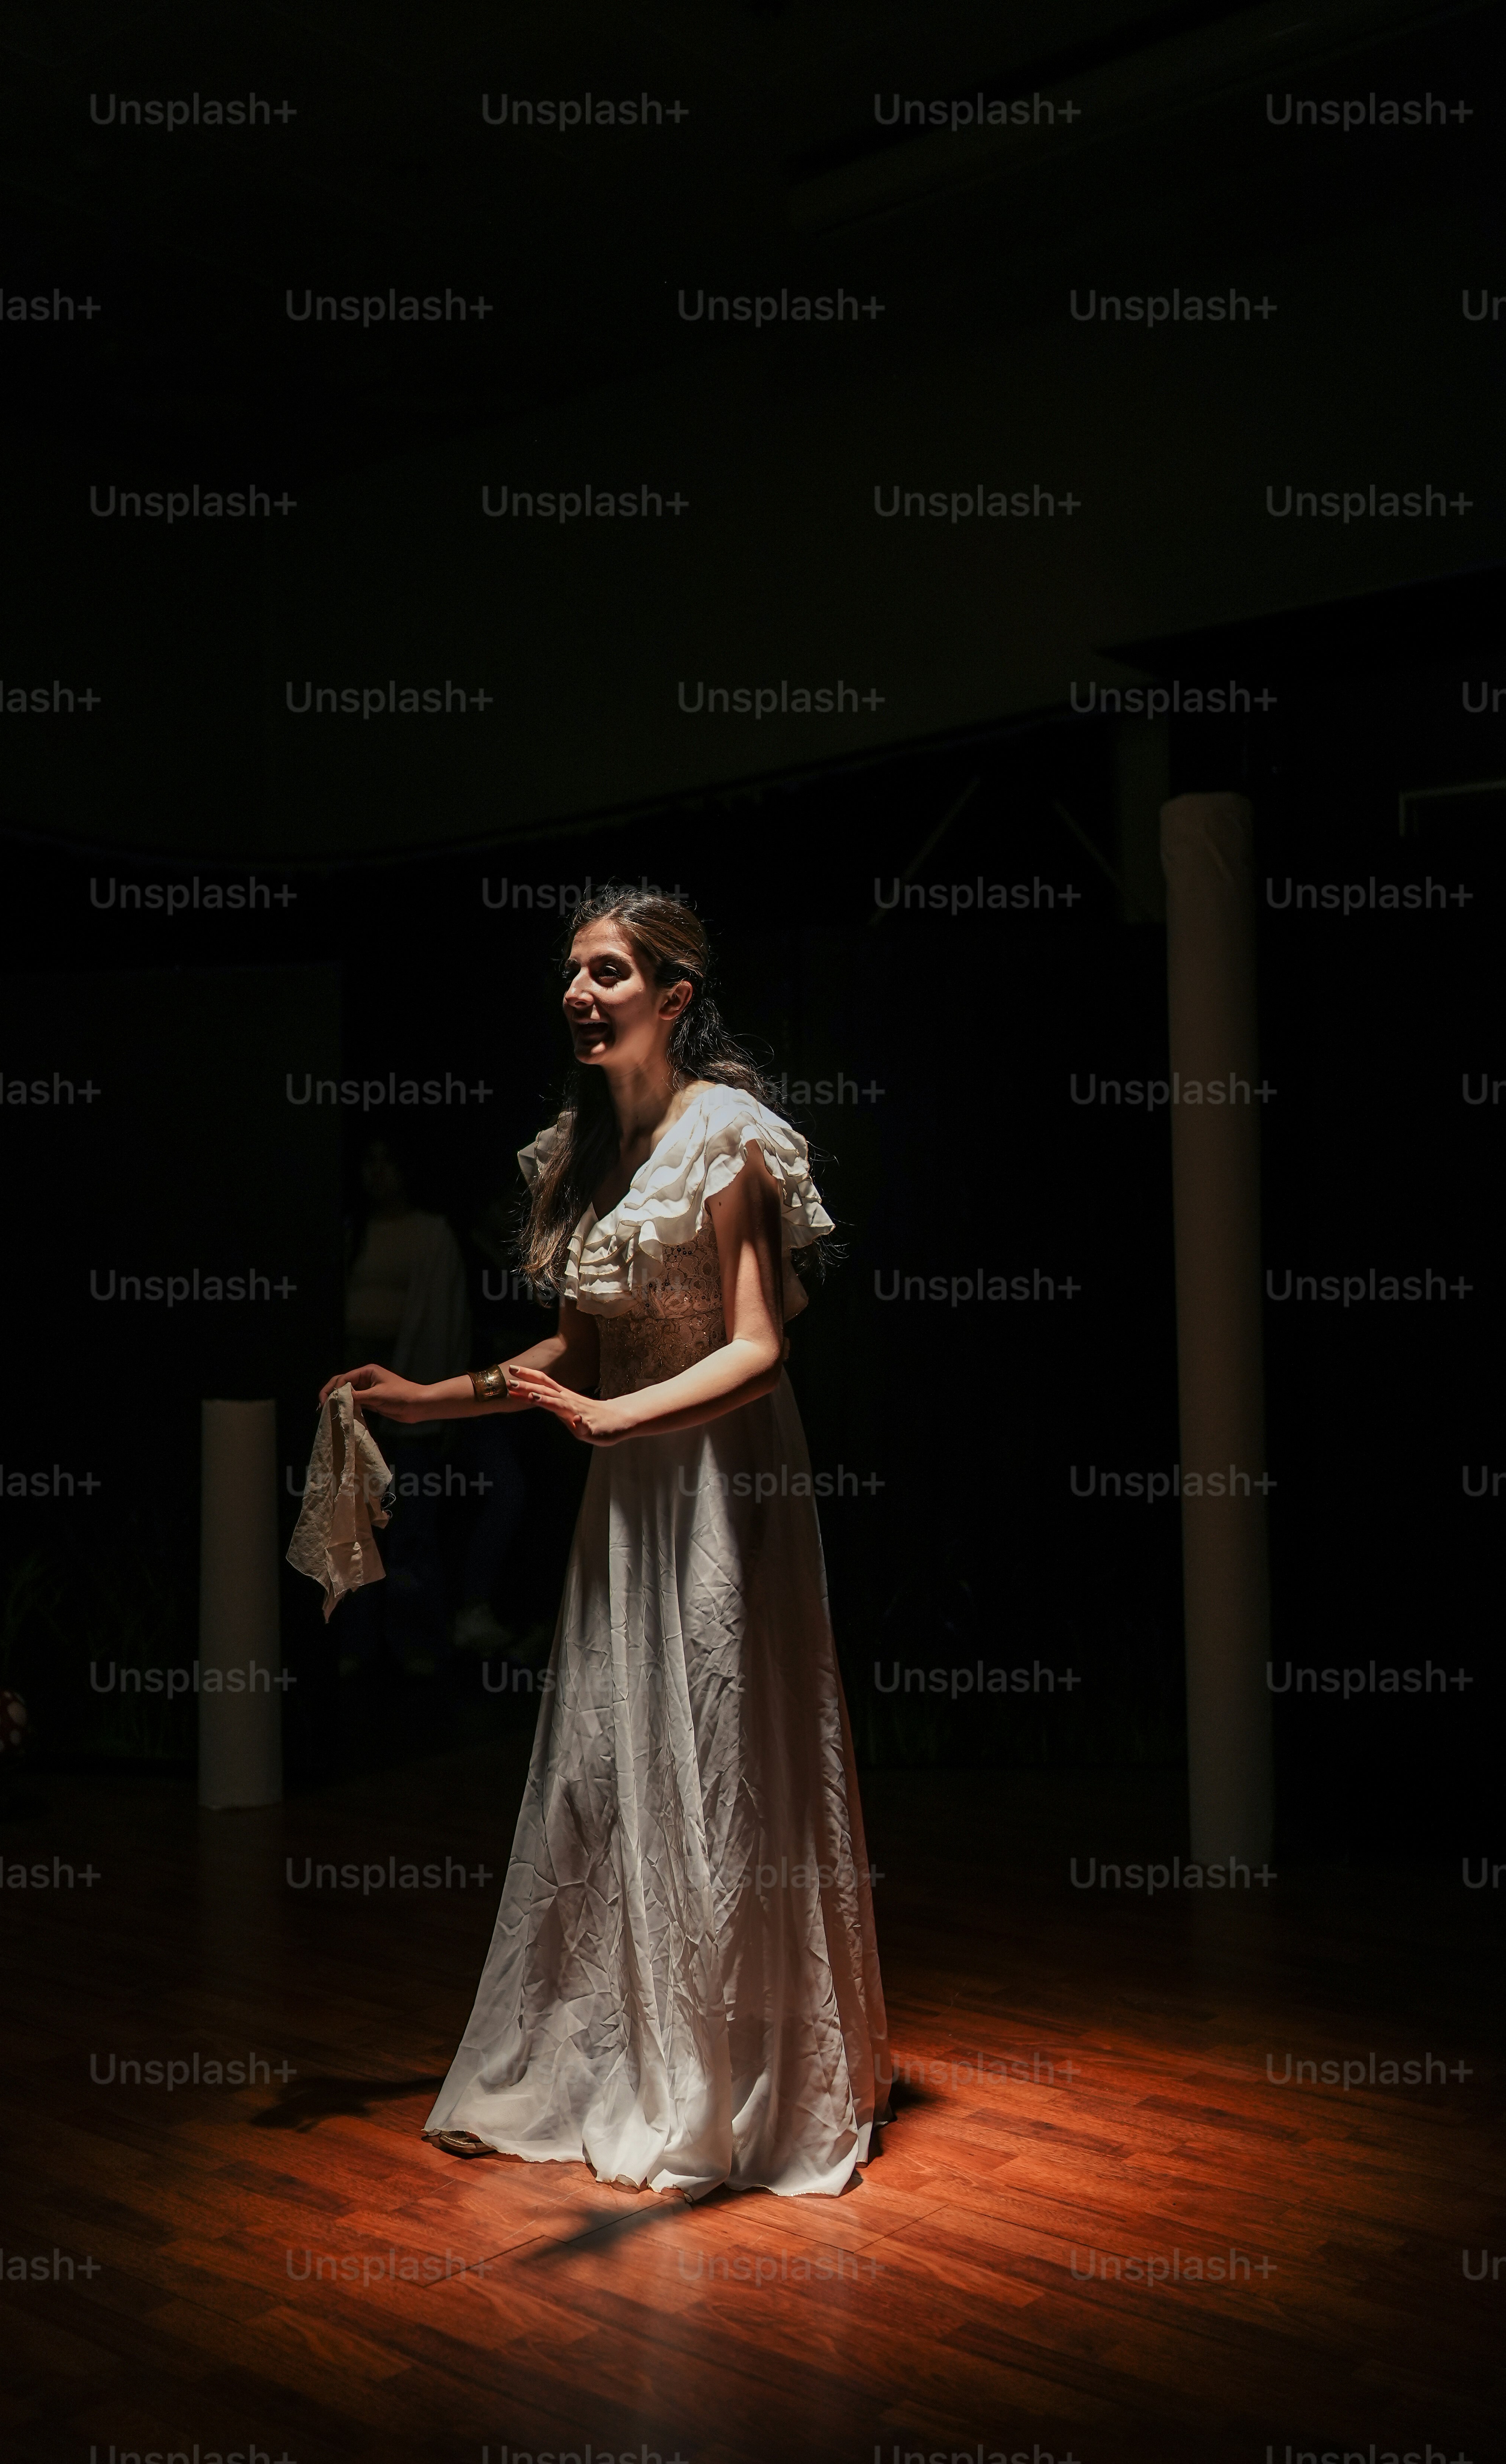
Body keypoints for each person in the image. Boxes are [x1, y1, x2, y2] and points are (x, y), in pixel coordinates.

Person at [320, 886, 887, 2199]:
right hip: (624, 1487)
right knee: (614, 1758)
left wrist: (617, 1415)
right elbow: (572, 1354)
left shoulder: (728, 1133)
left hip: (716, 1482)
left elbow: (757, 1345)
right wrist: (427, 1401)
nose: (581, 992)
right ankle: (630, 2044)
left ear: (674, 996)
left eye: (611, 971)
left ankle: (732, 2072)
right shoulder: (576, 1152)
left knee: (721, 1741)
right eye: (573, 971)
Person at [338, 1135, 471, 1676]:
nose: (378, 1176)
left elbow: (447, 1323)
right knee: (355, 1532)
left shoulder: (431, 1235)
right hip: (354, 1405)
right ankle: (355, 1644)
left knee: (410, 1528)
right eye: (369, 1163)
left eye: (387, 1161)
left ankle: (415, 1642)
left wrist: (432, 1404)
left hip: (409, 1394)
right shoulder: (354, 1233)